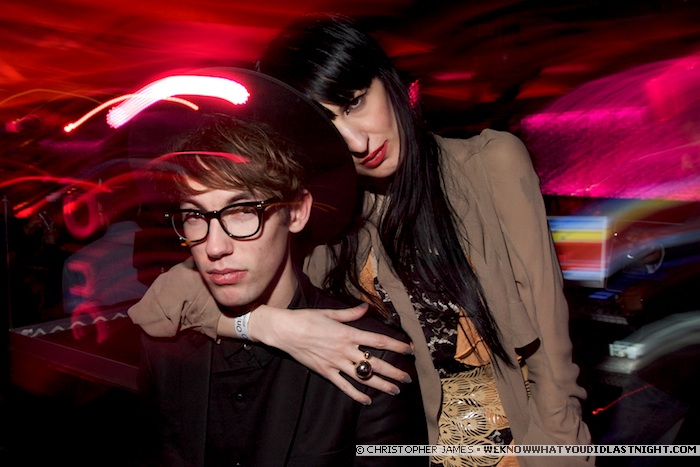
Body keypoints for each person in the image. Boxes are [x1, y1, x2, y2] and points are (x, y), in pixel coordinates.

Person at [129, 15, 593, 466]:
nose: (355, 141)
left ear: (387, 82)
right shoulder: (328, 217)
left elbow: (553, 362)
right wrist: (267, 325)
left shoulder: (490, 165)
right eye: (327, 125)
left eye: (354, 103)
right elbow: (163, 303)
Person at [129, 70, 427, 466]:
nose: (214, 247)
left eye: (242, 211)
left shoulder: (373, 356)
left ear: (297, 212)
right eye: (195, 216)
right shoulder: (166, 346)